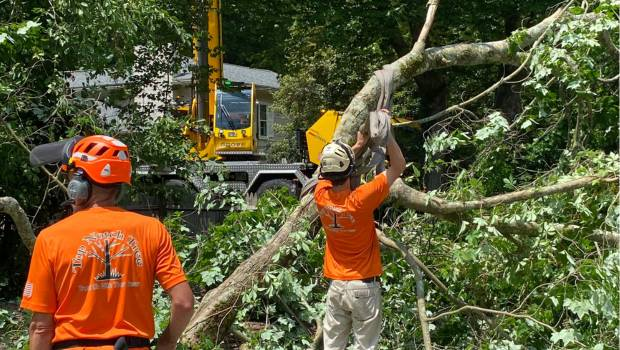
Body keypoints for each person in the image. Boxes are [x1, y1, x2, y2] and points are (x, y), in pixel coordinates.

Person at [20, 135, 194, 350]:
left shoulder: (51, 238)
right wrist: (167, 343)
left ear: (78, 185)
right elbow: (184, 303)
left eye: (70, 179)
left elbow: (41, 328)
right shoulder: (152, 229)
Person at [314, 130, 406, 350]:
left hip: (336, 288)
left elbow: (330, 170)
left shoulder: (320, 195)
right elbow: (398, 166)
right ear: (351, 170)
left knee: (333, 346)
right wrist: (387, 134)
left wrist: (358, 145)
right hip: (363, 287)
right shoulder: (362, 199)